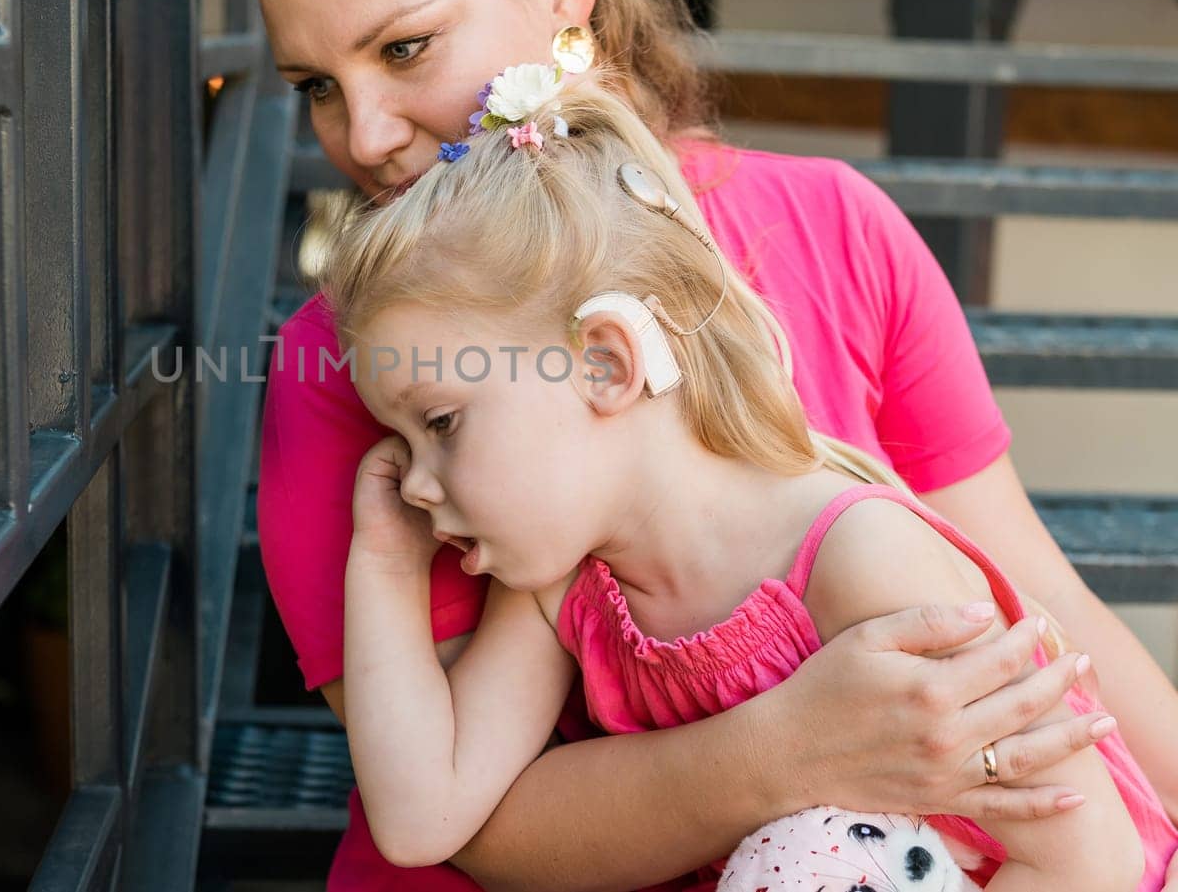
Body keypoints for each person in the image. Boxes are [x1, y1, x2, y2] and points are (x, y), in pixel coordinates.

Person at [229, 0, 1178, 887]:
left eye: (403, 49)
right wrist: (787, 748)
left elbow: (1040, 622)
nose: (359, 137)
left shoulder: (836, 236)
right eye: (314, 84)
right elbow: (466, 823)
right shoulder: (354, 364)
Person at [322, 74, 1178, 890]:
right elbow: (421, 815)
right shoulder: (563, 591)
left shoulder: (861, 559)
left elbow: (1088, 857)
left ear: (606, 364)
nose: (417, 484)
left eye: (439, 423)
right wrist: (386, 564)